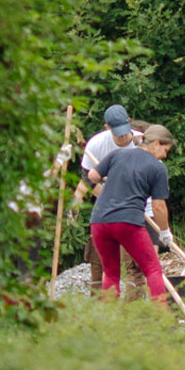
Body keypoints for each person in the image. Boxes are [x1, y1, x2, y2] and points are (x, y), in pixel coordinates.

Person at [87, 124, 176, 301]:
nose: (165, 156)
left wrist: (108, 176)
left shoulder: (117, 154)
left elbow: (92, 176)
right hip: (127, 223)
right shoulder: (157, 168)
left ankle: (108, 316)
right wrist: (165, 233)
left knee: (111, 274)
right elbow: (158, 206)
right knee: (152, 269)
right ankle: (161, 315)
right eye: (165, 150)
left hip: (99, 221)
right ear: (156, 143)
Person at [73, 104, 145, 292]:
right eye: (117, 133)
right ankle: (99, 302)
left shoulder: (142, 143)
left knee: (133, 263)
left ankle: (133, 305)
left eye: (125, 131)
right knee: (99, 259)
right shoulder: (96, 145)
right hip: (105, 206)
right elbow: (87, 179)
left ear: (129, 121)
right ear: (107, 127)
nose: (122, 137)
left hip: (134, 207)